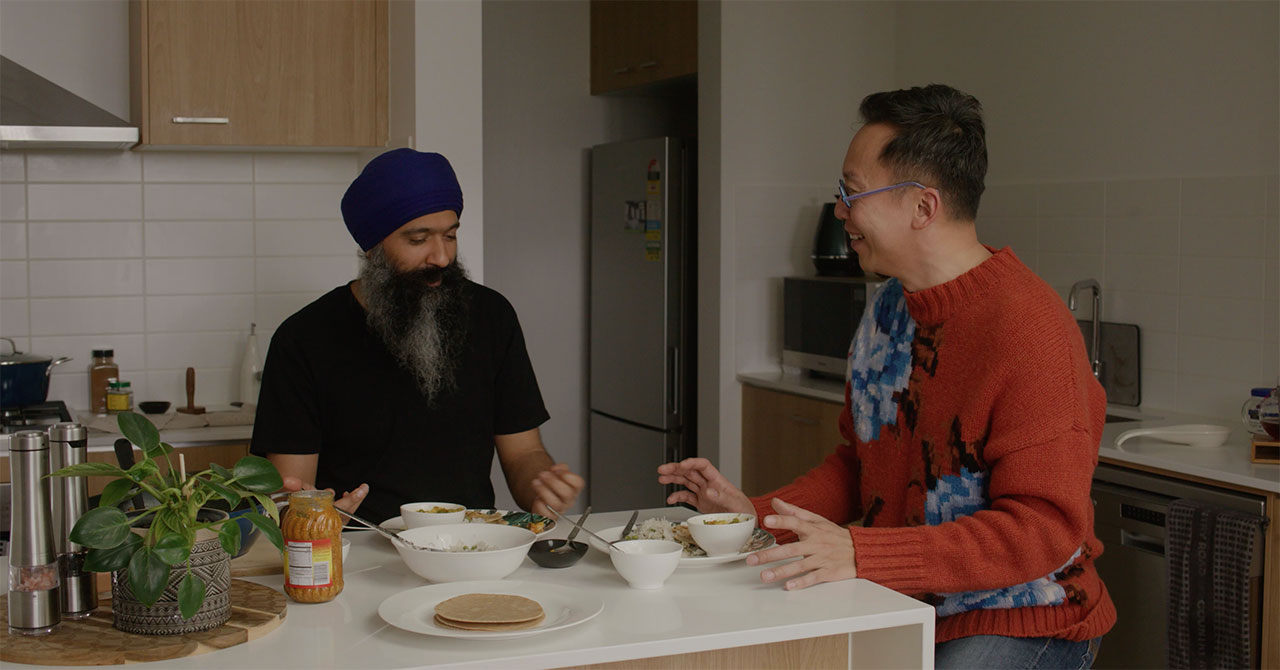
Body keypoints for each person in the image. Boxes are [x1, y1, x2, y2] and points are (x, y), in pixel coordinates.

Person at [658, 85, 1114, 669]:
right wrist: (754, 515)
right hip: (905, 602)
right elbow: (860, 463)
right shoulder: (887, 311)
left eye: (851, 192)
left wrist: (863, 552)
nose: (841, 211)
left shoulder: (1029, 329)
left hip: (1024, 617)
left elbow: (1043, 529)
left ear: (922, 207)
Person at [251, 148, 583, 523]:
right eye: (418, 239)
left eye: (451, 235)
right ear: (372, 247)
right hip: (356, 555)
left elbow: (523, 453)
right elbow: (289, 492)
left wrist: (541, 484)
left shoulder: (492, 316)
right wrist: (314, 517)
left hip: (471, 546)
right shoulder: (303, 339)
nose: (441, 257)